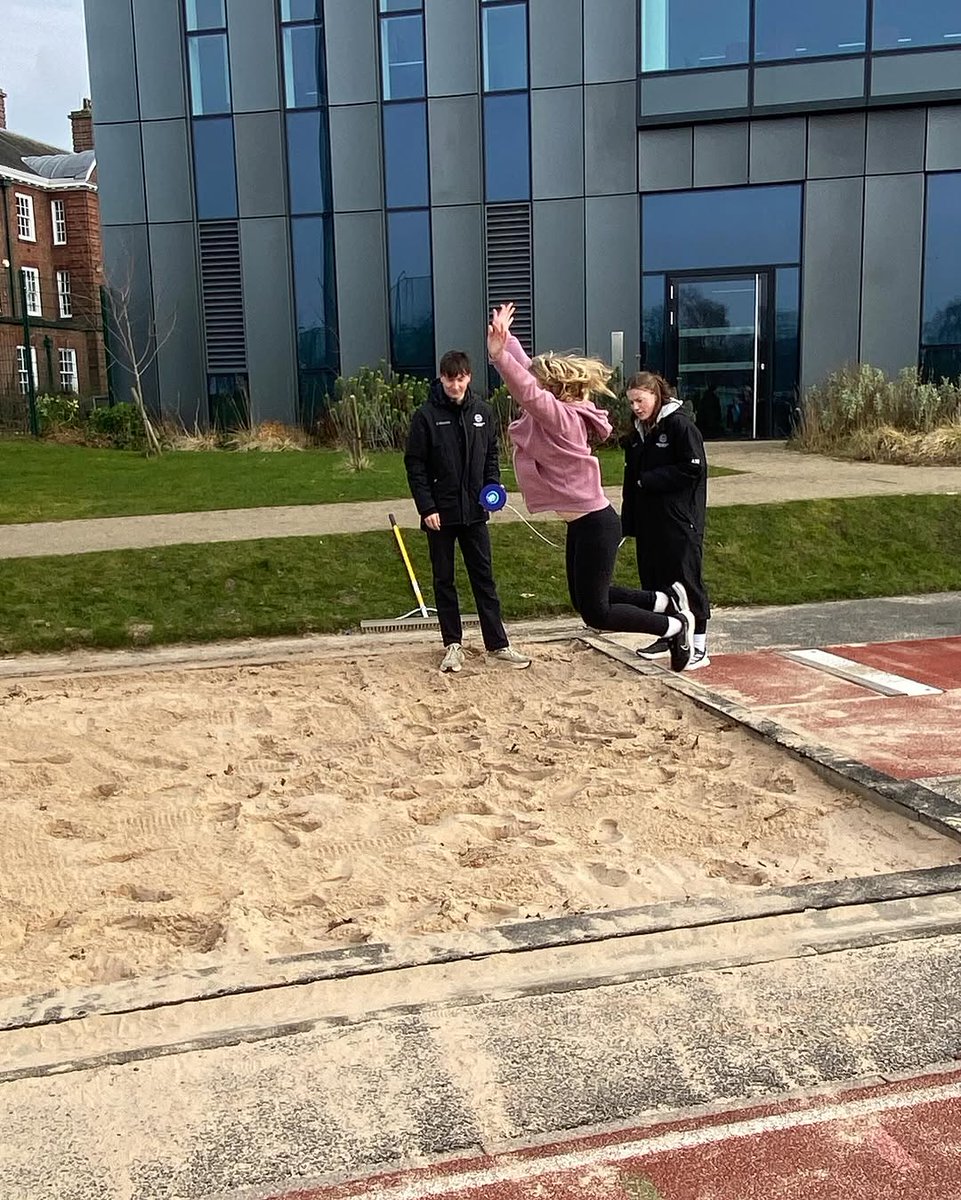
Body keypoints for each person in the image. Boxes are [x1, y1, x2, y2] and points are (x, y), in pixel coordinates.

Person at [486, 304, 694, 671]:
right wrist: (508, 342)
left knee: (596, 613)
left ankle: (675, 626)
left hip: (596, 524)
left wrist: (500, 357)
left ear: (556, 390)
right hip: (582, 524)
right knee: (586, 599)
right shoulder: (557, 406)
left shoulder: (563, 418)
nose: (537, 386)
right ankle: (663, 602)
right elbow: (530, 376)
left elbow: (527, 391)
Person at [404, 349, 531, 674]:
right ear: (442, 378)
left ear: (469, 378)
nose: (455, 385)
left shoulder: (483, 412)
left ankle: (498, 644)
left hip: (474, 512)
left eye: (460, 379)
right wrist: (427, 506)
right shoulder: (426, 416)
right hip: (440, 515)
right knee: (444, 580)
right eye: (450, 379)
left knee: (484, 578)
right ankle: (452, 645)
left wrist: (492, 487)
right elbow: (415, 465)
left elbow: (491, 455)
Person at [620, 371, 711, 670]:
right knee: (655, 582)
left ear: (656, 395)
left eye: (640, 400)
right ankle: (667, 634)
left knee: (685, 582)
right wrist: (628, 521)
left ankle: (699, 645)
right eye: (631, 401)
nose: (635, 407)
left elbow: (693, 467)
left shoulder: (679, 426)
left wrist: (651, 480)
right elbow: (630, 481)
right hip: (650, 522)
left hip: (680, 521)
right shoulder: (639, 433)